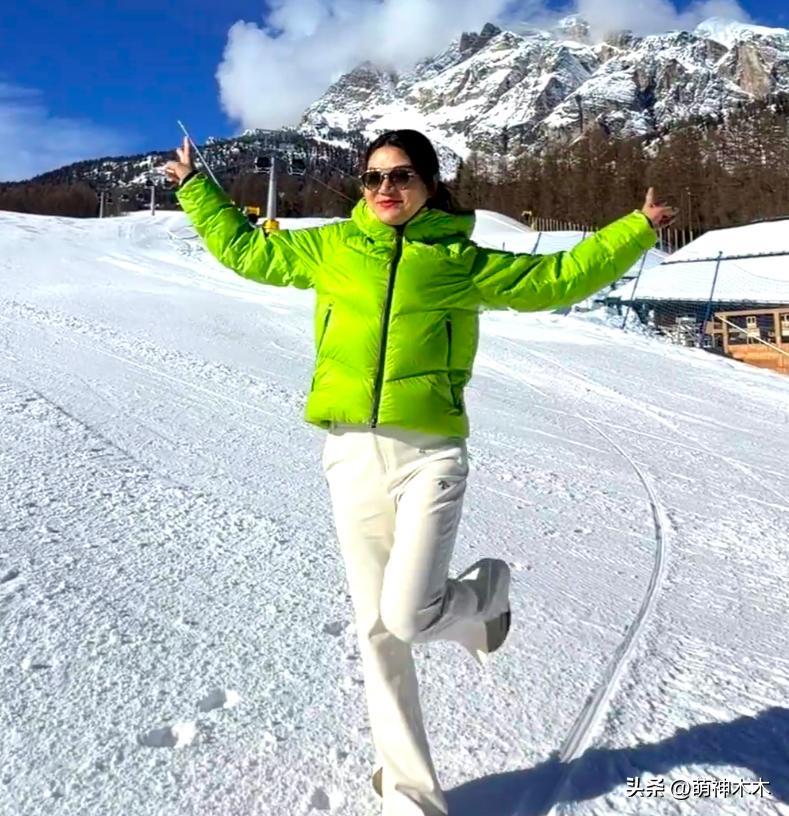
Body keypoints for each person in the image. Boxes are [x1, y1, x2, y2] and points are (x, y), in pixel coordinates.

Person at [164, 129, 677, 816]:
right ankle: (410, 795)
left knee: (406, 616)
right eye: (373, 176)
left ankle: (484, 595)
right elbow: (249, 252)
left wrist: (636, 229)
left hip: (430, 452)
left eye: (401, 175)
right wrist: (196, 189)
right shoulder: (331, 248)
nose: (385, 189)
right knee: (376, 630)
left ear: (429, 184)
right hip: (351, 452)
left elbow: (554, 279)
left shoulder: (458, 259)